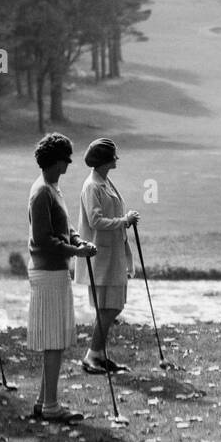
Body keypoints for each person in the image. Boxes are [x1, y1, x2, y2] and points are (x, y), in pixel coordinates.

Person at [27, 133, 97, 423]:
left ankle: (43, 400)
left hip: (55, 270)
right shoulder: (42, 192)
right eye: (66, 160)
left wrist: (77, 240)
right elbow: (43, 239)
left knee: (54, 338)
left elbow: (64, 227)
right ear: (55, 161)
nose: (68, 165)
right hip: (48, 271)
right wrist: (76, 252)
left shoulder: (53, 188)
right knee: (53, 340)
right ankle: (52, 406)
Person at [74, 138, 139, 374]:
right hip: (101, 256)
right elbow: (95, 221)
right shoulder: (92, 186)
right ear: (105, 160)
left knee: (112, 306)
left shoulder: (104, 182)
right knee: (108, 307)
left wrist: (125, 220)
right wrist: (124, 221)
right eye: (112, 156)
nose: (116, 159)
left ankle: (99, 355)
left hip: (113, 254)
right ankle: (92, 355)